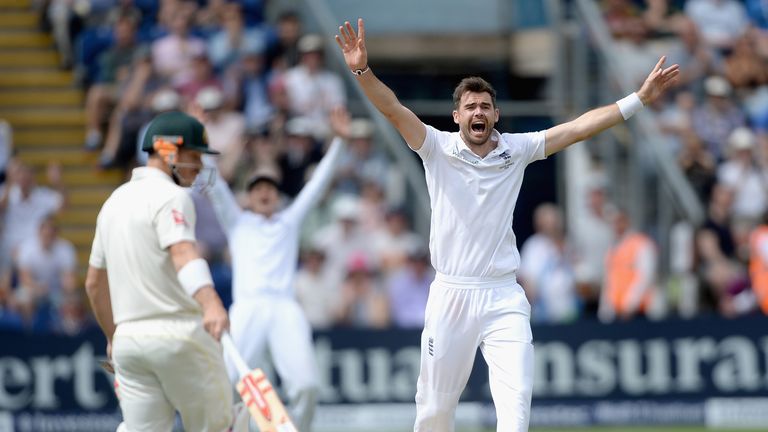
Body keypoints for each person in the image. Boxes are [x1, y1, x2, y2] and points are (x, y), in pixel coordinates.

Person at [335, 18, 679, 431]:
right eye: (470, 107)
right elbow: (391, 107)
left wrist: (638, 99)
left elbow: (576, 128)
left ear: (496, 114)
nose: (478, 112)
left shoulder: (517, 149)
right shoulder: (436, 147)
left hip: (503, 296)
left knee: (515, 410)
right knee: (434, 411)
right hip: (451, 294)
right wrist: (361, 69)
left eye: (484, 106)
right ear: (456, 115)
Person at [84, 111, 244, 432]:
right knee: (222, 427)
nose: (199, 167)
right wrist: (212, 303)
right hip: (180, 336)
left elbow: (93, 285)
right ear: (168, 151)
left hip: (129, 344)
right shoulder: (173, 196)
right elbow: (184, 252)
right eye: (194, 155)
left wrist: (115, 336)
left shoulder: (112, 203)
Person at [203, 107, 349, 431]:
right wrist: (199, 136)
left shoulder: (289, 220)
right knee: (226, 382)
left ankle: (295, 429)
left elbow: (319, 182)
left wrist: (339, 140)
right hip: (248, 308)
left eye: (269, 187)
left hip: (284, 307)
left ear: (277, 195)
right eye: (257, 189)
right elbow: (213, 184)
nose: (264, 192)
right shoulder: (238, 222)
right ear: (249, 196)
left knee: (307, 385)